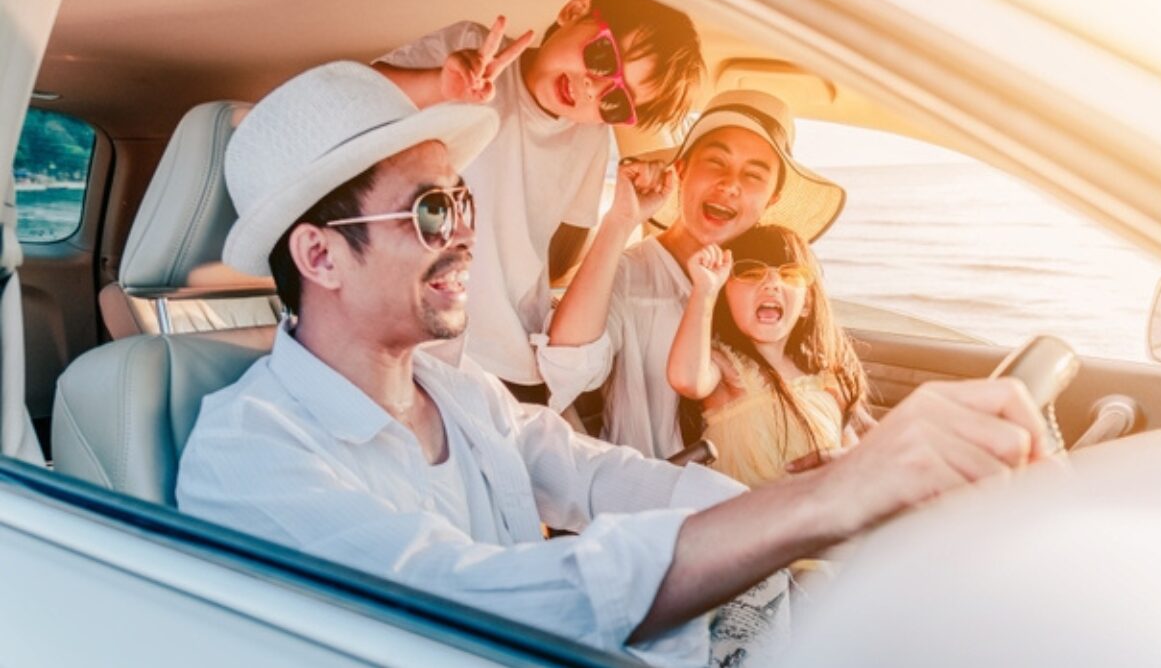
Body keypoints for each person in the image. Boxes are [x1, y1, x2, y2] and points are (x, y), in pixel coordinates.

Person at [175, 62, 1047, 666]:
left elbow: (604, 480)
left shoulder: (456, 391)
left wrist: (824, 499)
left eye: (465, 200)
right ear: (321, 257)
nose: (468, 232)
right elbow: (461, 601)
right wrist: (826, 503)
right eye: (434, 212)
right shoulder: (251, 453)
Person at [372, 0, 703, 400]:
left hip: (509, 365)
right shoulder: (474, 50)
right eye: (602, 59)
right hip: (413, 343)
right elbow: (358, 101)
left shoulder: (590, 140)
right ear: (575, 9)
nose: (593, 89)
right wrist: (442, 86)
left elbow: (562, 253)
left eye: (616, 101)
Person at [536, 89, 845, 460]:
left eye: (753, 175)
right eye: (716, 162)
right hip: (662, 498)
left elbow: (817, 376)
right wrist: (619, 223)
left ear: (771, 199)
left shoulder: (771, 288)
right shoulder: (629, 273)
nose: (730, 185)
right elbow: (565, 370)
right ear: (681, 170)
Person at [668, 225, 877, 488]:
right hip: (750, 519)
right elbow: (686, 378)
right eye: (751, 273)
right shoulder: (728, 370)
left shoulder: (824, 378)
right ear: (725, 298)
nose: (771, 284)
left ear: (807, 305)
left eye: (789, 275)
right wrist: (705, 291)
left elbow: (852, 457)